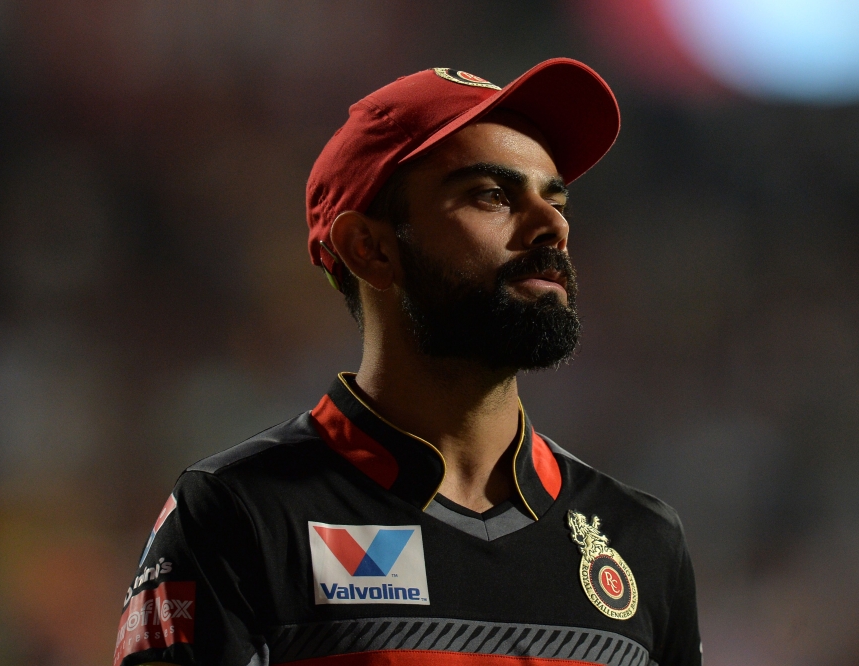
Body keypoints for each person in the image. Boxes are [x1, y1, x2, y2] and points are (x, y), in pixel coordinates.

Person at [115, 58, 702, 666]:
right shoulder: (239, 515)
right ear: (369, 248)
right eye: (493, 195)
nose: (551, 225)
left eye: (556, 200)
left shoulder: (643, 540)